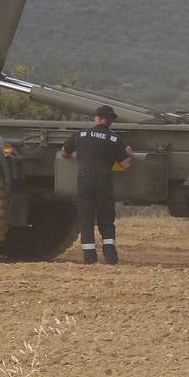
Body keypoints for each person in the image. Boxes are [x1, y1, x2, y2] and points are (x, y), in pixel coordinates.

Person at [60, 105, 133, 264]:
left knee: (86, 218)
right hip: (103, 182)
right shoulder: (114, 139)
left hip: (84, 181)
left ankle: (89, 258)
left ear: (98, 118)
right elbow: (126, 164)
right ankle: (110, 256)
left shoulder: (80, 134)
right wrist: (129, 153)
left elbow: (64, 153)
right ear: (108, 121)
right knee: (106, 218)